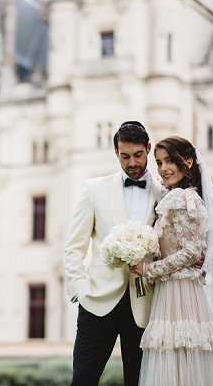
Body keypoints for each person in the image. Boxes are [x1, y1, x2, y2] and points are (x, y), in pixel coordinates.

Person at [131, 136, 213, 386]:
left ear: (188, 162)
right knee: (178, 362)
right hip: (174, 291)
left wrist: (149, 269)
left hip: (180, 293)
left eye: (169, 160)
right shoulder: (179, 197)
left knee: (178, 359)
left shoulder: (183, 198)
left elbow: (191, 252)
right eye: (159, 162)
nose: (163, 168)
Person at [63, 121, 165, 386]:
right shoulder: (94, 189)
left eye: (138, 155)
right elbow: (74, 246)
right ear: (116, 153)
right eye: (125, 156)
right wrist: (79, 289)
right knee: (83, 380)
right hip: (97, 301)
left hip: (146, 305)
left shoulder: (164, 194)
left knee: (139, 381)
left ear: (148, 149)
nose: (132, 163)